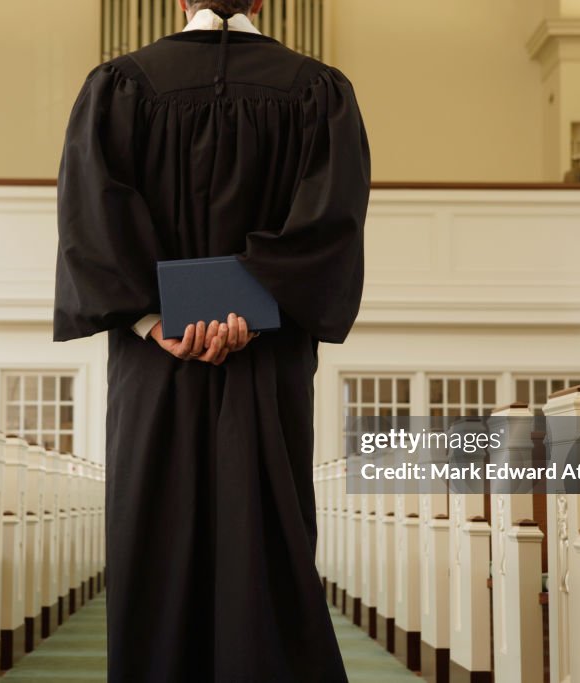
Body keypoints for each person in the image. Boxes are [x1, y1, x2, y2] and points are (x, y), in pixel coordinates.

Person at [53, 0, 370, 679]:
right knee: (267, 552)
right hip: (269, 362)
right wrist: (250, 305)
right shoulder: (318, 91)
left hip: (152, 367)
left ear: (177, 0)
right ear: (261, 1)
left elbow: (91, 220)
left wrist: (154, 319)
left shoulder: (120, 84)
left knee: (154, 549)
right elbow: (328, 227)